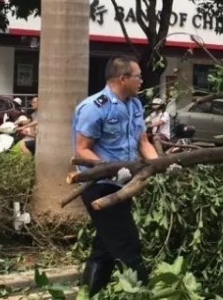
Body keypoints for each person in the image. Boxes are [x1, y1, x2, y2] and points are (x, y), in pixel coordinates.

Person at [72, 56, 159, 296]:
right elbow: (82, 148)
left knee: (104, 247)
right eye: (138, 76)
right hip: (100, 187)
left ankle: (87, 294)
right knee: (128, 245)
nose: (142, 80)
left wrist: (161, 165)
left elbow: (143, 142)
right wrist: (109, 167)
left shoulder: (135, 105)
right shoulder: (95, 107)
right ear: (123, 78)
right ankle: (142, 292)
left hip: (123, 185)